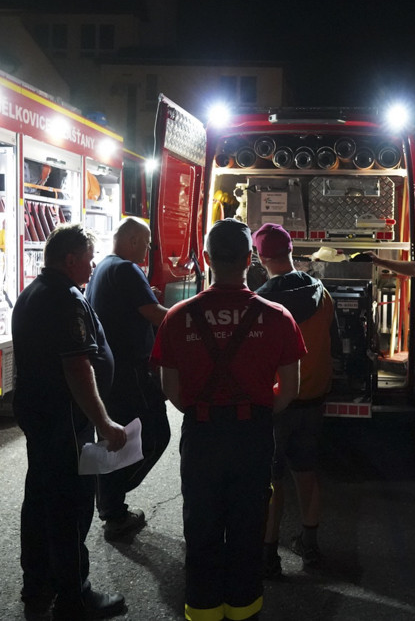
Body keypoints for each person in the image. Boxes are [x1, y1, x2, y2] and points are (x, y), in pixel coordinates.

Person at [151, 218, 305, 621]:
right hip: (252, 434)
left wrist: (203, 410)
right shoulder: (277, 317)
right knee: (248, 525)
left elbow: (171, 389)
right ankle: (243, 609)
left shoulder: (177, 317)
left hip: (202, 434)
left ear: (206, 258)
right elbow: (289, 389)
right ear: (249, 259)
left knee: (201, 524)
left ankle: (203, 609)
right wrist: (257, 411)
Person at [11, 223, 128, 620]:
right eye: (89, 259)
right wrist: (104, 423)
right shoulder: (64, 299)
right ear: (71, 259)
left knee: (40, 501)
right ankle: (74, 596)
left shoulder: (34, 291)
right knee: (70, 508)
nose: (93, 266)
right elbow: (77, 368)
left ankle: (38, 583)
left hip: (41, 415)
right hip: (64, 420)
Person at [252, 223, 336, 577]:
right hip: (313, 398)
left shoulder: (260, 301)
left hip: (276, 402)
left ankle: (268, 555)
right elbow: (332, 343)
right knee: (306, 472)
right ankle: (310, 546)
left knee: (272, 479)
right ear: (290, 251)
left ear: (260, 258)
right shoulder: (322, 294)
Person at [85, 217, 170, 541]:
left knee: (117, 438)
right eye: (146, 244)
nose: (147, 250)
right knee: (154, 435)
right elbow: (154, 314)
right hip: (131, 372)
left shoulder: (104, 268)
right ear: (133, 240)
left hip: (112, 371)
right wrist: (189, 317)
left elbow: (134, 306)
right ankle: (111, 500)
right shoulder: (126, 269)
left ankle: (109, 504)